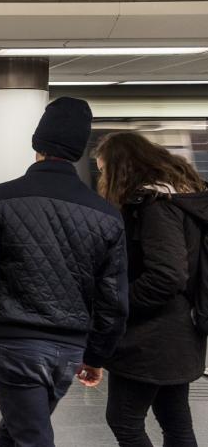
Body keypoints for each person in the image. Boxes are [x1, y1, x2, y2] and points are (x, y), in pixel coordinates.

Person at [0, 97, 129, 447]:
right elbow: (113, 299)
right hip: (69, 348)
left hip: (13, 343)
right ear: (78, 151)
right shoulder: (106, 215)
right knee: (17, 429)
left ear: (37, 143)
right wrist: (96, 354)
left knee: (29, 435)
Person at [95, 132, 207, 447]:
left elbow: (168, 275)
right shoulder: (184, 201)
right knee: (175, 421)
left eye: (104, 171)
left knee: (124, 420)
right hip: (181, 331)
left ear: (122, 169)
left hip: (150, 338)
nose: (103, 179)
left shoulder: (154, 206)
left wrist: (120, 302)